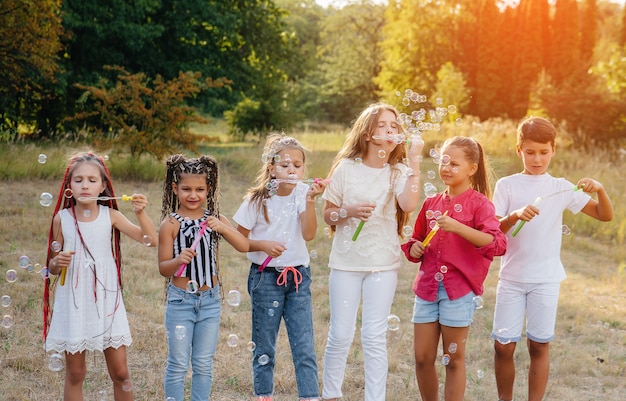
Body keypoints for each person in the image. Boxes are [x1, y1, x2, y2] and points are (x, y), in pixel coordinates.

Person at [491, 116, 613, 401]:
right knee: (503, 346)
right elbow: (494, 228)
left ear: (553, 150)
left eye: (544, 152)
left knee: (539, 345)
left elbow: (604, 215)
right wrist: (515, 215)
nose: (537, 159)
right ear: (519, 150)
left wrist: (601, 189)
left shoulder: (561, 186)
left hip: (545, 279)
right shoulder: (507, 185)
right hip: (511, 277)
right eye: (530, 152)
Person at [321, 103, 424, 401]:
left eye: (395, 125)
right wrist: (347, 211)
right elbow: (328, 215)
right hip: (346, 263)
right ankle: (331, 395)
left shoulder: (399, 172)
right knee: (340, 334)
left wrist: (415, 163)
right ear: (367, 134)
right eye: (383, 125)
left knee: (374, 336)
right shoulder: (346, 168)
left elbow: (408, 205)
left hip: (383, 264)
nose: (391, 130)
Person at [43, 151, 158, 401]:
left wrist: (140, 213)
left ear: (104, 186)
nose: (85, 185)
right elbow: (52, 268)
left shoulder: (111, 216)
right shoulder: (61, 219)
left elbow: (150, 240)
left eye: (92, 180)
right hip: (74, 301)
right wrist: (56, 262)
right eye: (79, 180)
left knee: (121, 372)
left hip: (107, 302)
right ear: (69, 186)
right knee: (75, 373)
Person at [400, 136, 507, 401]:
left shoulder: (480, 204)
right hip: (426, 290)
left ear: (471, 169)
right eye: (443, 161)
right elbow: (416, 239)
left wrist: (459, 227)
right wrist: (414, 248)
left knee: (453, 358)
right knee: (423, 357)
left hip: (458, 292)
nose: (446, 168)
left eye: (454, 164)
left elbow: (497, 244)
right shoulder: (431, 204)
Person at [233, 133, 327, 401]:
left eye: (298, 165)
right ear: (271, 167)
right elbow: (239, 240)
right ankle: (264, 394)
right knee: (264, 345)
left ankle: (309, 396)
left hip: (298, 278)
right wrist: (262, 244)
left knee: (304, 344)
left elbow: (309, 235)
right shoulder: (257, 199)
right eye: (285, 165)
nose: (292, 170)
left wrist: (310, 201)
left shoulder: (301, 194)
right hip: (266, 278)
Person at [158, 154, 248, 401]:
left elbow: (243, 246)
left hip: (209, 301)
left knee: (203, 363)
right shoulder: (170, 224)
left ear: (209, 189)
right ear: (175, 189)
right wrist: (177, 261)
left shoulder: (214, 219)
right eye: (186, 189)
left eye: (200, 189)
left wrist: (224, 227)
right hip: (181, 301)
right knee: (177, 364)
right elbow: (163, 268)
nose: (193, 194)